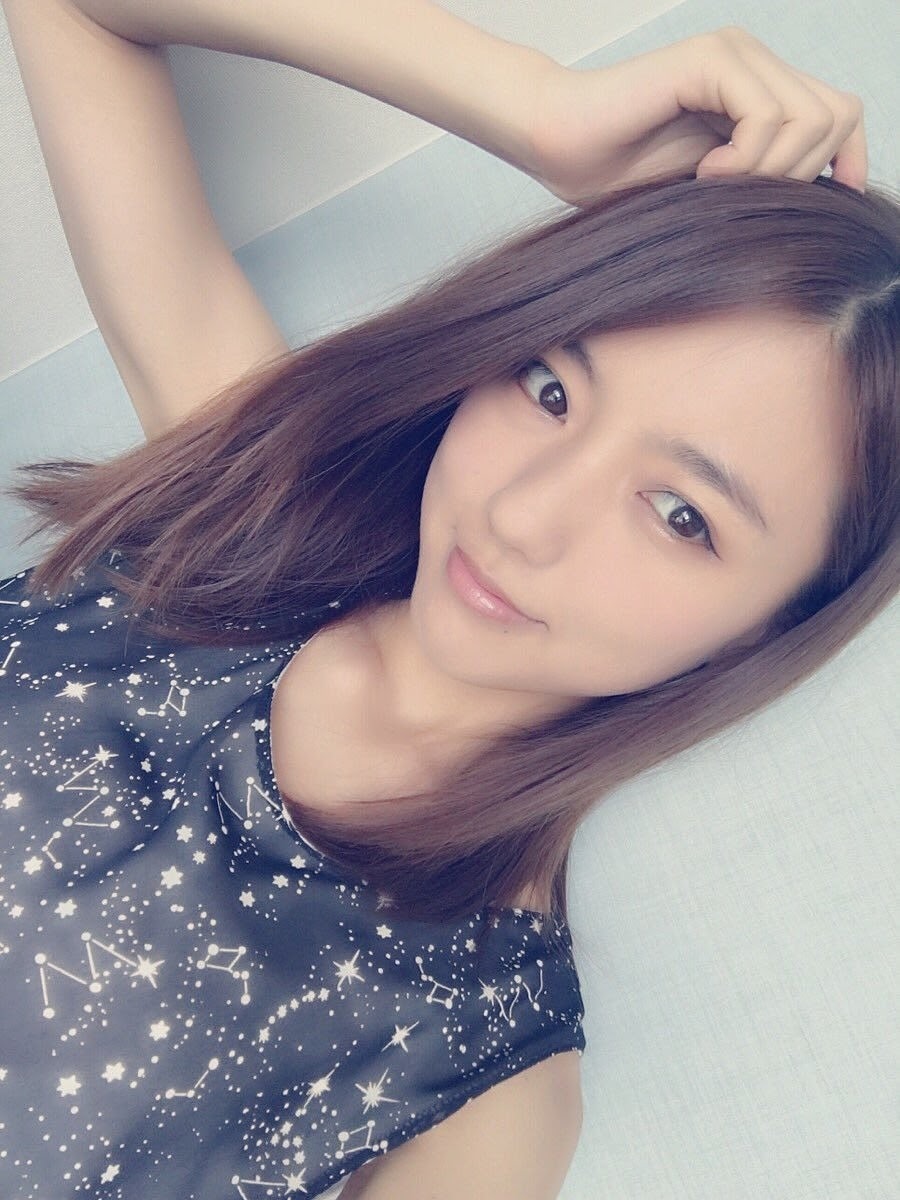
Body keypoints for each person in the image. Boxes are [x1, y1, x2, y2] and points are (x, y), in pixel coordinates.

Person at [0, 2, 896, 1198]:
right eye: (549, 387)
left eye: (680, 514)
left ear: (778, 623)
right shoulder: (252, 495)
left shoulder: (475, 1087)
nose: (522, 515)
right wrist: (534, 105)